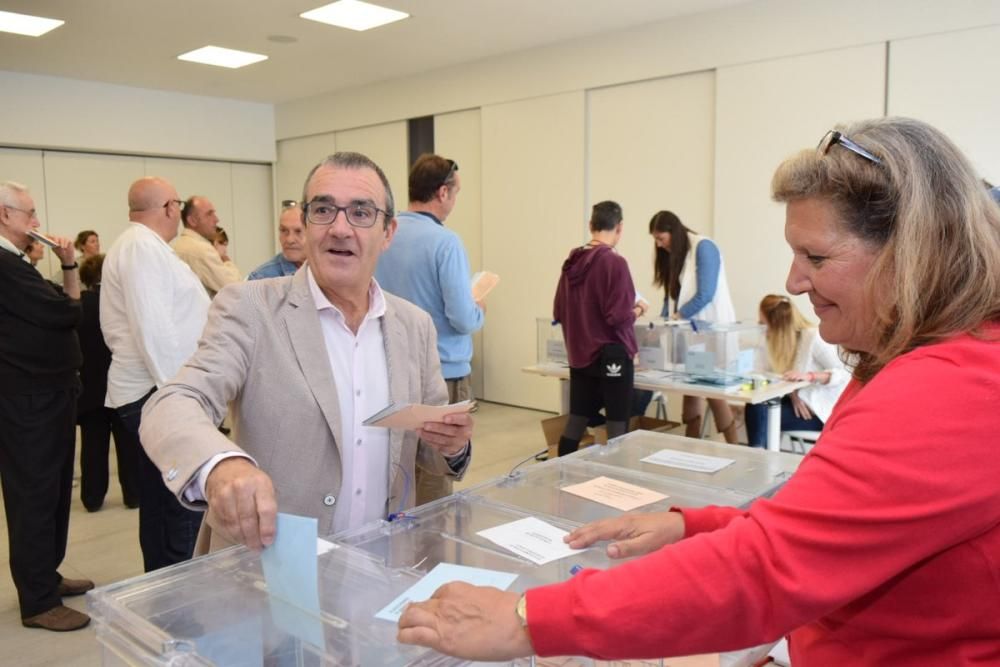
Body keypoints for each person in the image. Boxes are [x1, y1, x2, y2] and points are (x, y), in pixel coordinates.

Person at [397, 118, 1000, 665]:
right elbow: (827, 523)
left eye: (815, 256)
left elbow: (768, 570)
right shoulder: (926, 360)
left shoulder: (950, 385)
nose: (793, 281)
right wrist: (696, 524)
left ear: (914, 253)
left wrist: (533, 617)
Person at [139, 152, 473, 553]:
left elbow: (431, 451)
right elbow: (175, 402)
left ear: (388, 233)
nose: (340, 228)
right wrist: (220, 464)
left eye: (362, 213)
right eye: (323, 209)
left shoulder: (414, 325)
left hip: (379, 565)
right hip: (273, 575)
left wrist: (453, 447)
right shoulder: (250, 308)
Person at [101, 177, 210, 572]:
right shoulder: (140, 248)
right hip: (157, 393)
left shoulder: (144, 247)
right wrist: (182, 398)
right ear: (169, 208)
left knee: (163, 506)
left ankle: (166, 590)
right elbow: (155, 331)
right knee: (181, 506)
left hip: (157, 391)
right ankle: (182, 599)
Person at [0, 181, 94, 632]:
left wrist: (65, 283)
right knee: (35, 496)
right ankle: (37, 601)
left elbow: (61, 307)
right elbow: (66, 313)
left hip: (48, 394)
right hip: (27, 401)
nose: (36, 223)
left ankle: (47, 576)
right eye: (30, 213)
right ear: (5, 215)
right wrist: (70, 264)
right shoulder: (3, 264)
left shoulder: (17, 264)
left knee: (55, 491)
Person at [375, 154, 483, 503]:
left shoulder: (385, 235)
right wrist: (478, 308)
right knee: (437, 471)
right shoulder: (445, 242)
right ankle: (428, 553)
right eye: (456, 193)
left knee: (398, 467)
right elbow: (463, 317)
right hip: (443, 373)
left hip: (390, 369)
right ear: (442, 193)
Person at [551, 201, 642, 457]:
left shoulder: (571, 263)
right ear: (620, 227)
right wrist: (639, 309)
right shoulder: (616, 263)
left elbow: (558, 311)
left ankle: (561, 475)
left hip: (579, 355)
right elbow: (620, 317)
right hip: (613, 356)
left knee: (577, 420)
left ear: (591, 226)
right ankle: (615, 486)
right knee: (617, 427)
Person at [648, 210, 739, 444]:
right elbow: (672, 296)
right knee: (691, 386)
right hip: (690, 332)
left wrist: (677, 316)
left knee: (711, 389)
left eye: (661, 238)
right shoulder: (676, 254)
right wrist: (664, 320)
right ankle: (692, 445)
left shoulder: (704, 247)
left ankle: (733, 444)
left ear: (673, 232)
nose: (658, 245)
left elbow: (705, 293)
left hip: (710, 330)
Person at [744, 294, 849, 447]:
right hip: (796, 405)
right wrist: (794, 393)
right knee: (756, 405)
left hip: (819, 413)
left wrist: (810, 376)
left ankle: (758, 459)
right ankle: (759, 457)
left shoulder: (813, 337)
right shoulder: (776, 342)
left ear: (777, 325)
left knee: (762, 413)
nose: (761, 328)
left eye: (763, 323)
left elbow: (845, 373)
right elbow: (764, 371)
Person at [76, 253, 138, 511]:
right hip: (120, 383)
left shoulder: (78, 304)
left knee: (92, 447)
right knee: (128, 445)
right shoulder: (120, 304)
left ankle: (92, 498)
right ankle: (134, 495)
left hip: (89, 387)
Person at [172, 196, 241, 297]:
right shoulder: (201, 250)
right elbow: (236, 289)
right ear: (192, 221)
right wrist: (226, 260)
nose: (216, 219)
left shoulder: (179, 245)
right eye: (209, 214)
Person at [247, 201, 307, 280]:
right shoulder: (261, 279)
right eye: (284, 230)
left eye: (298, 231)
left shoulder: (325, 271)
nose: (289, 239)